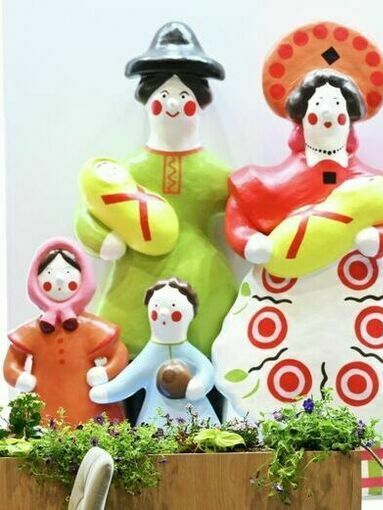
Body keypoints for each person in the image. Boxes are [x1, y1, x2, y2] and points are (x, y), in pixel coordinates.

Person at [213, 21, 383, 496]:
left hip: (359, 286)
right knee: (282, 369)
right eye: (318, 108)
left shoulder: (372, 186)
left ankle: (377, 463)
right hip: (286, 293)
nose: (328, 116)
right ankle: (288, 469)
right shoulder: (267, 183)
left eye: (337, 108)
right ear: (301, 118)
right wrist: (250, 242)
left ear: (351, 118)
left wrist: (380, 239)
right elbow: (241, 215)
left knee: (372, 367)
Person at [74, 22, 236, 422]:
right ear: (147, 102)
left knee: (210, 352)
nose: (174, 105)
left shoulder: (213, 173)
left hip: (205, 284)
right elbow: (90, 214)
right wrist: (103, 237)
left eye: (184, 97)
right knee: (129, 351)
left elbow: (242, 203)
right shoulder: (127, 172)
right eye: (164, 96)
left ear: (200, 103)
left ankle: (213, 432)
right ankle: (131, 427)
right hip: (134, 284)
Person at [4, 238, 128, 424]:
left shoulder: (91, 326)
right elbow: (12, 361)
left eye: (67, 273)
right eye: (50, 274)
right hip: (44, 405)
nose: (59, 279)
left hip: (89, 407)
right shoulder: (34, 330)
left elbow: (118, 352)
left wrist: (106, 372)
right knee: (42, 427)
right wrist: (19, 377)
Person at [90, 278, 219, 427]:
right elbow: (129, 379)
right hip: (157, 423)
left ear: (189, 314)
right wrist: (106, 392)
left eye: (173, 307)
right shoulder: (150, 356)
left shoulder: (189, 353)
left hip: (198, 420)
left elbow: (207, 370)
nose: (163, 312)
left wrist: (200, 384)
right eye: (157, 307)